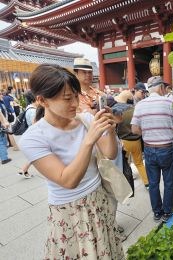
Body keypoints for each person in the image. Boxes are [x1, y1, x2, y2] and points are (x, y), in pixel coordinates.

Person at [18, 64, 124, 259]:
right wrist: (89, 140)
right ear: (42, 100)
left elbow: (109, 154)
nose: (75, 103)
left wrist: (108, 127)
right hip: (68, 209)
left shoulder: (85, 119)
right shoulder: (33, 138)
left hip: (99, 198)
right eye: (67, 98)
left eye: (76, 96)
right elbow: (67, 180)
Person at [131, 76, 173, 223]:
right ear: (161, 88)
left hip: (149, 150)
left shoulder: (140, 105)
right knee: (168, 182)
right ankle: (167, 212)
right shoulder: (170, 101)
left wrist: (147, 133)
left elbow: (134, 129)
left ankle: (157, 212)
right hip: (167, 148)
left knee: (153, 183)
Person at [114, 90, 149, 189]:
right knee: (139, 163)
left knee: (124, 164)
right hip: (136, 140)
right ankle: (147, 183)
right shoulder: (135, 109)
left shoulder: (118, 111)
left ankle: (125, 184)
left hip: (124, 141)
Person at [18, 91, 37, 178]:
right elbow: (35, 124)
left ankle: (23, 170)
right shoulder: (33, 111)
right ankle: (23, 170)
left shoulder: (29, 108)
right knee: (35, 155)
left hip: (32, 134)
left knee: (34, 154)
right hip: (35, 135)